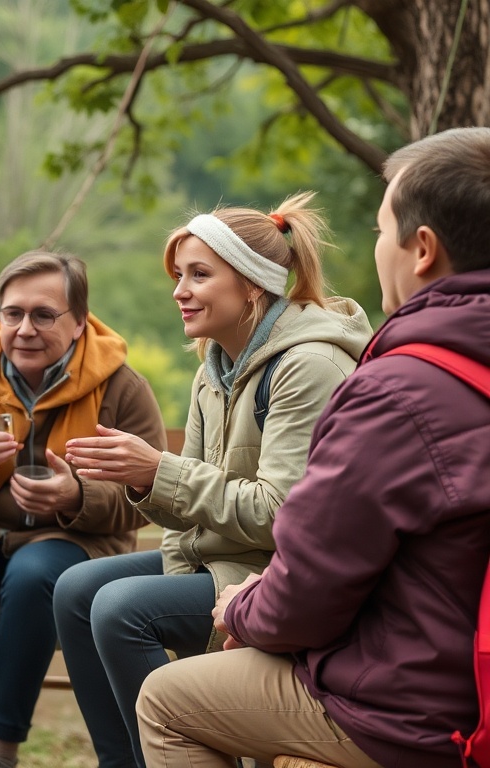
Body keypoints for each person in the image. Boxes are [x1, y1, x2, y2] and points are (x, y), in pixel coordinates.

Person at [135, 128, 490, 768]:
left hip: (411, 704)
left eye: (383, 232)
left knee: (164, 699)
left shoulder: (394, 389)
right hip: (458, 669)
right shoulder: (213, 366)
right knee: (97, 597)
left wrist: (242, 608)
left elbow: (311, 584)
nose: (180, 290)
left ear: (424, 250)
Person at [55, 192, 372, 768]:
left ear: (253, 285)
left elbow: (283, 514)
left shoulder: (309, 365)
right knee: (76, 590)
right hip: (224, 557)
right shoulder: (214, 366)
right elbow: (192, 502)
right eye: (179, 275)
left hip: (277, 574)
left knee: (122, 607)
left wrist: (160, 469)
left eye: (199, 275)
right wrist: (146, 480)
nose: (180, 291)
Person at [0, 250, 167, 768]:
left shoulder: (122, 387)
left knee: (34, 576)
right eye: (12, 313)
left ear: (79, 323)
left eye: (43, 314)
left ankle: (1, 752)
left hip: (76, 543)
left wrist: (74, 496)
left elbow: (150, 500)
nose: (24, 328)